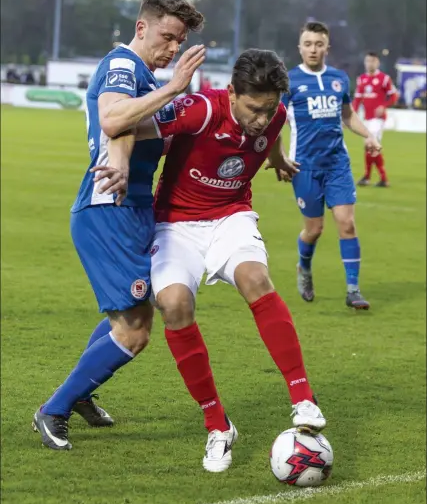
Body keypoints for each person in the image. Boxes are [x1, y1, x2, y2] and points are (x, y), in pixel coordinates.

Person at [93, 48, 327, 473]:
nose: (261, 118)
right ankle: (218, 426)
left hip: (231, 215)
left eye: (269, 109)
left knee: (256, 278)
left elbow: (270, 132)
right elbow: (126, 124)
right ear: (232, 92)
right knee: (175, 304)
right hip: (175, 223)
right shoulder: (199, 110)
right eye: (253, 108)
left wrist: (276, 160)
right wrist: (121, 165)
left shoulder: (274, 113)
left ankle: (303, 398)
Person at [32, 0, 205, 451]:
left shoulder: (145, 76)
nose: (173, 48)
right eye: (168, 37)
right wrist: (174, 89)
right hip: (108, 209)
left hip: (134, 209)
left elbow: (144, 133)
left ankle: (83, 390)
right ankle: (53, 409)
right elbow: (112, 120)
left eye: (180, 40)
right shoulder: (124, 66)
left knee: (136, 313)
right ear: (142, 27)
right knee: (136, 330)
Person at [282, 22, 381, 309]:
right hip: (305, 167)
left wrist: (369, 135)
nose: (313, 49)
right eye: (308, 44)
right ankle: (305, 267)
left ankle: (353, 290)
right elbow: (275, 123)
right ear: (300, 47)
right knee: (314, 230)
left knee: (347, 224)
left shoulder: (339, 79)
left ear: (327, 47)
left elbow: (348, 116)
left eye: (319, 44)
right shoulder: (289, 81)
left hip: (337, 163)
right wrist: (278, 159)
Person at [353, 52, 399, 187]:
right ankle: (372, 178)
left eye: (372, 61)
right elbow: (357, 100)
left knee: (370, 145)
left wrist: (383, 106)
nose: (369, 64)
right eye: (367, 61)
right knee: (370, 148)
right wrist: (352, 115)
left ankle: (379, 178)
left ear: (377, 63)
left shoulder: (384, 79)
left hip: (378, 119)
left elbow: (394, 96)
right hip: (366, 119)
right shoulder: (361, 79)